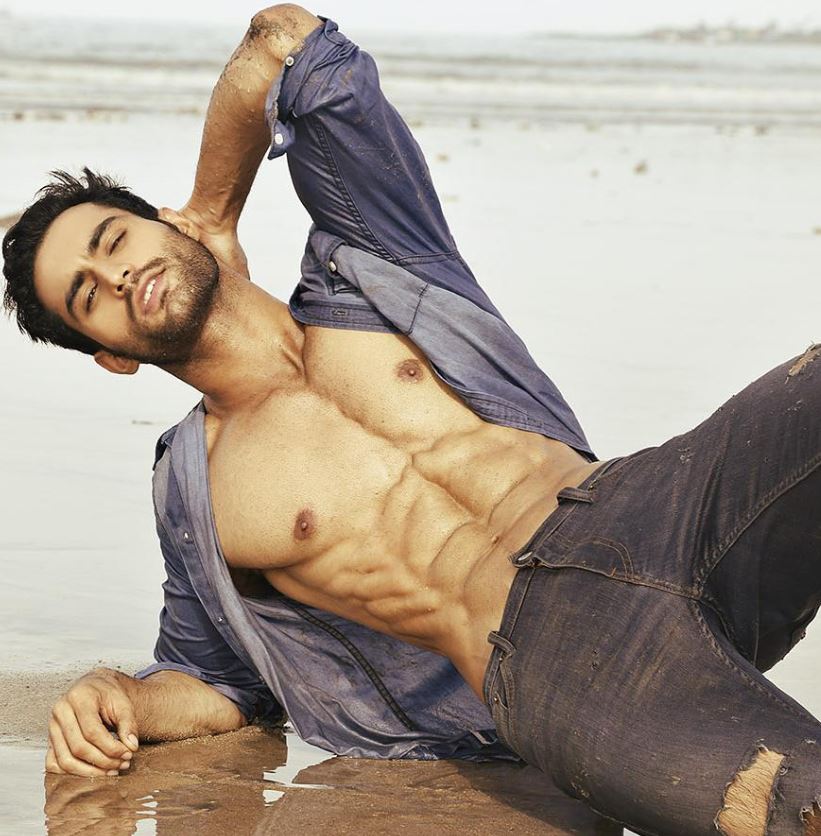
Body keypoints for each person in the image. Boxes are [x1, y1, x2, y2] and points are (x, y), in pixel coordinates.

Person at [3, 6, 820, 835]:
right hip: (553, 663)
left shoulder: (374, 260)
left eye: (113, 240)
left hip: (650, 506)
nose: (116, 277)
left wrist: (214, 206)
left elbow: (288, 42)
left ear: (163, 223)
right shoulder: (197, 495)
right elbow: (217, 684)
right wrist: (121, 694)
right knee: (799, 804)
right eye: (86, 295)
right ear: (111, 357)